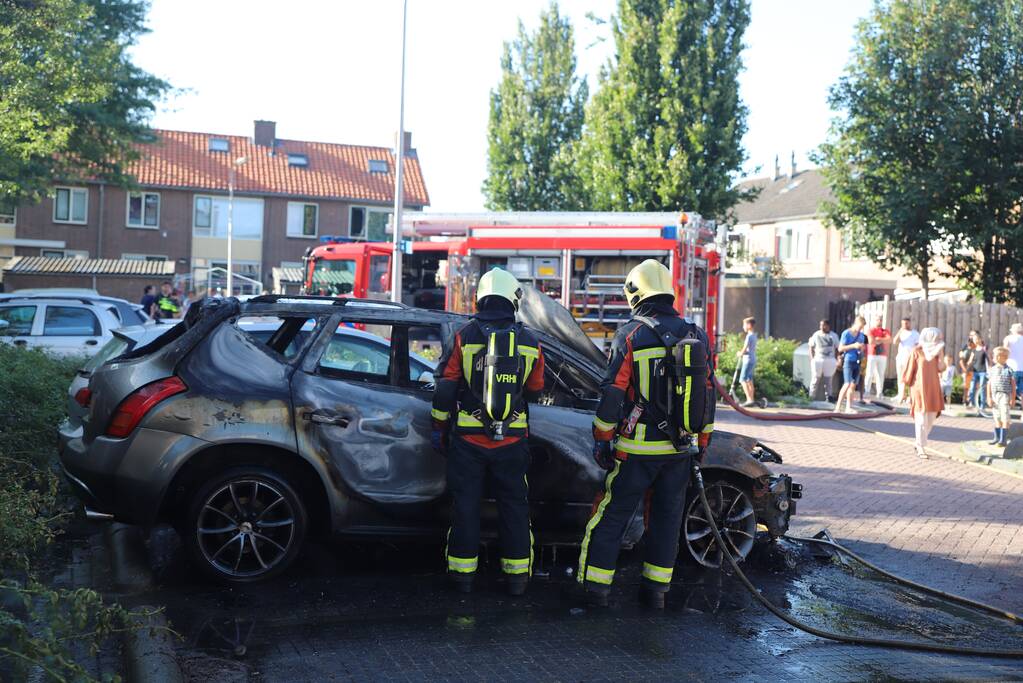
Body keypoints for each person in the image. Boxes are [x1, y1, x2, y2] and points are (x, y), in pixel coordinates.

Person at [572, 259, 714, 609]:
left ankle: (595, 591)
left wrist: (603, 439)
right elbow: (707, 394)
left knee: (612, 516)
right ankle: (656, 593)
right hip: (680, 450)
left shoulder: (632, 334)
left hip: (636, 451)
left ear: (635, 292)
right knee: (666, 520)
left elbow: (613, 393)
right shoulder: (696, 334)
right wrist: (702, 444)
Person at [431, 268, 545, 596]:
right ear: (513, 299)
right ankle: (517, 579)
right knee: (514, 506)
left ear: (480, 298)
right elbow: (536, 388)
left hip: (468, 438)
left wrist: (439, 428)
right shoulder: (529, 340)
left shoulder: (464, 335)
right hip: (512, 439)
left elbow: (446, 387)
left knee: (465, 505)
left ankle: (463, 578)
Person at [902, 327, 946, 458]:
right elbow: (908, 372)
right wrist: (904, 392)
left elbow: (941, 368)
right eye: (937, 337)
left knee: (931, 419)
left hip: (933, 388)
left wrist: (941, 353)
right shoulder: (916, 351)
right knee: (921, 419)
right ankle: (921, 447)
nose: (939, 340)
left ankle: (919, 442)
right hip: (918, 389)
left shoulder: (937, 352)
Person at [836, 316, 867, 414]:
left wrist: (861, 348)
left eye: (862, 327)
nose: (860, 329)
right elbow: (840, 348)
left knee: (853, 385)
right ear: (855, 323)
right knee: (847, 383)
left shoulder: (861, 335)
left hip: (857, 361)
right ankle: (837, 407)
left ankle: (848, 407)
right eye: (860, 326)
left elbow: (862, 348)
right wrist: (853, 346)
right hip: (849, 360)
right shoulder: (846, 333)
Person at [986, 346, 1016, 447]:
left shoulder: (1009, 370)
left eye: (994, 356)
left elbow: (1013, 385)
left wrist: (1012, 398)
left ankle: (1003, 440)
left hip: (1004, 395)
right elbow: (989, 384)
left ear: (1000, 357)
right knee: (997, 416)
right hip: (995, 395)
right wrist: (989, 397)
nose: (993, 357)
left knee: (1005, 417)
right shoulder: (992, 370)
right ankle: (997, 437)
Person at [808, 319, 840, 402]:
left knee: (828, 380)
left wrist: (836, 359)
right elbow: (811, 346)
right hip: (818, 359)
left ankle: (828, 397)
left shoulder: (834, 336)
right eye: (821, 325)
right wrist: (812, 358)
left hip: (829, 360)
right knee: (815, 379)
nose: (822, 327)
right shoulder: (816, 334)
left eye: (824, 325)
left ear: (828, 326)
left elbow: (837, 348)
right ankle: (811, 396)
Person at [893, 318, 920, 403]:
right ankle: (901, 394)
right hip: (900, 358)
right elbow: (895, 342)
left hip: (909, 358)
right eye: (903, 323)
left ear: (910, 323)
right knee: (900, 377)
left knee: (909, 377)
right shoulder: (901, 333)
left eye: (906, 323)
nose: (905, 325)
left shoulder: (915, 334)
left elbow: (917, 346)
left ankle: (910, 396)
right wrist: (900, 331)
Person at [865, 315, 891, 398]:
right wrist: (882, 340)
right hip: (872, 354)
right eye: (877, 320)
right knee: (869, 373)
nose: (879, 321)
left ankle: (879, 392)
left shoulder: (885, 331)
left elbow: (890, 340)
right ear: (874, 321)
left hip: (882, 355)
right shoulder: (871, 330)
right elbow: (871, 341)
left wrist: (878, 339)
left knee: (880, 374)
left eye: (880, 320)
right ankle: (867, 391)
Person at [966, 331, 989, 417]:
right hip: (975, 372)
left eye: (976, 339)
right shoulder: (974, 350)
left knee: (982, 389)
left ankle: (982, 406)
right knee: (972, 388)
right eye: (974, 340)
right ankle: (971, 403)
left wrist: (990, 368)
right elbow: (970, 361)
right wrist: (967, 368)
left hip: (983, 371)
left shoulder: (984, 349)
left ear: (980, 339)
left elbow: (989, 359)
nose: (975, 341)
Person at [737, 317, 758, 407]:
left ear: (749, 325)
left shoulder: (749, 336)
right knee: (749, 379)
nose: (743, 327)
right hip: (752, 359)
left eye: (744, 325)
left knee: (742, 379)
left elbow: (745, 349)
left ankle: (749, 399)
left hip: (748, 360)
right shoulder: (754, 335)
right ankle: (751, 399)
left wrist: (740, 353)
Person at [1003, 323, 1023, 409]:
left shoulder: (1008, 338)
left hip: (1011, 367)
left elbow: (1004, 351)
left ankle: (1007, 409)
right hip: (1022, 368)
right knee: (1022, 392)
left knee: (1008, 389)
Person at [958, 337, 975, 408]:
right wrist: (965, 370)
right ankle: (965, 400)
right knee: (966, 387)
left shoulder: (975, 350)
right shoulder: (966, 351)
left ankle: (971, 400)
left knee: (973, 387)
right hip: (968, 371)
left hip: (975, 371)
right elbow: (961, 361)